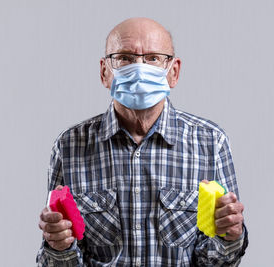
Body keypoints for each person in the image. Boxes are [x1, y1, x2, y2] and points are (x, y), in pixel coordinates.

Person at [36, 17, 248, 266]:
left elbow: (217, 262)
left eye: (153, 58)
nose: (139, 68)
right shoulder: (69, 146)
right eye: (124, 58)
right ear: (105, 72)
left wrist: (229, 238)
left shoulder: (211, 143)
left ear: (174, 72)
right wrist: (60, 247)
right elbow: (55, 261)